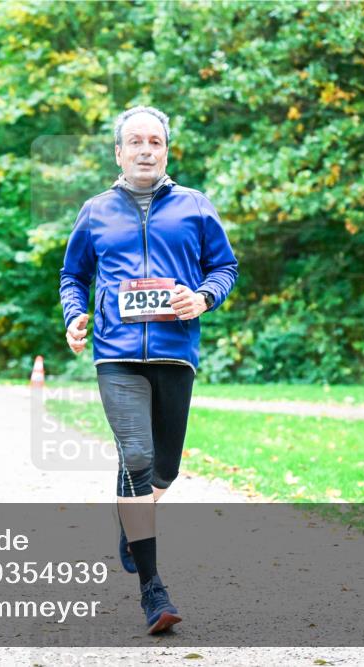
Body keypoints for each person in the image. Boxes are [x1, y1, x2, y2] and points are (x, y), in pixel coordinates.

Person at [59, 106, 238, 634]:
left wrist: (202, 298)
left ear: (166, 151)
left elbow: (224, 267)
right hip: (115, 355)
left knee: (164, 470)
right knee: (135, 455)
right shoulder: (95, 211)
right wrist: (75, 316)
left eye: (154, 142)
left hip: (175, 352)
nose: (144, 150)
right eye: (134, 141)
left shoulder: (195, 207)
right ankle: (153, 592)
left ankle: (130, 521)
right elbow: (73, 275)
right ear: (118, 152)